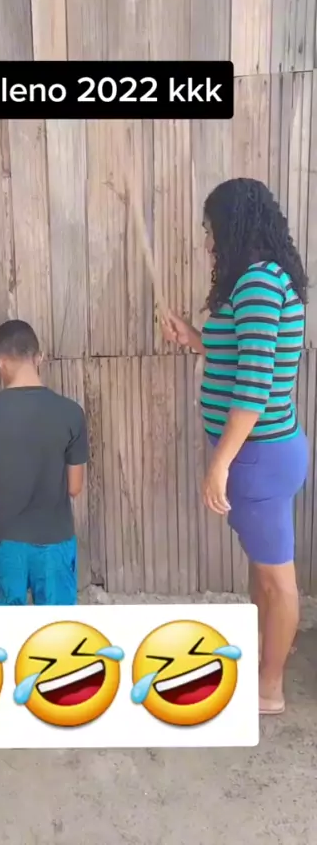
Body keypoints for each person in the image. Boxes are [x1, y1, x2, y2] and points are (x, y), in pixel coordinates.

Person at [162, 178, 308, 716]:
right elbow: (244, 353)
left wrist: (220, 463)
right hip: (259, 455)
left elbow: (254, 386)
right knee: (263, 571)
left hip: (258, 456)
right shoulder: (258, 281)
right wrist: (194, 338)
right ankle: (263, 659)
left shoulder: (259, 284)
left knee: (277, 579)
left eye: (211, 230)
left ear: (234, 226)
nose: (208, 242)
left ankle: (269, 689)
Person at [0, 319, 88, 606]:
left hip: (7, 543)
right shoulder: (71, 413)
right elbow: (74, 487)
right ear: (39, 357)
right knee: (58, 628)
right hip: (56, 541)